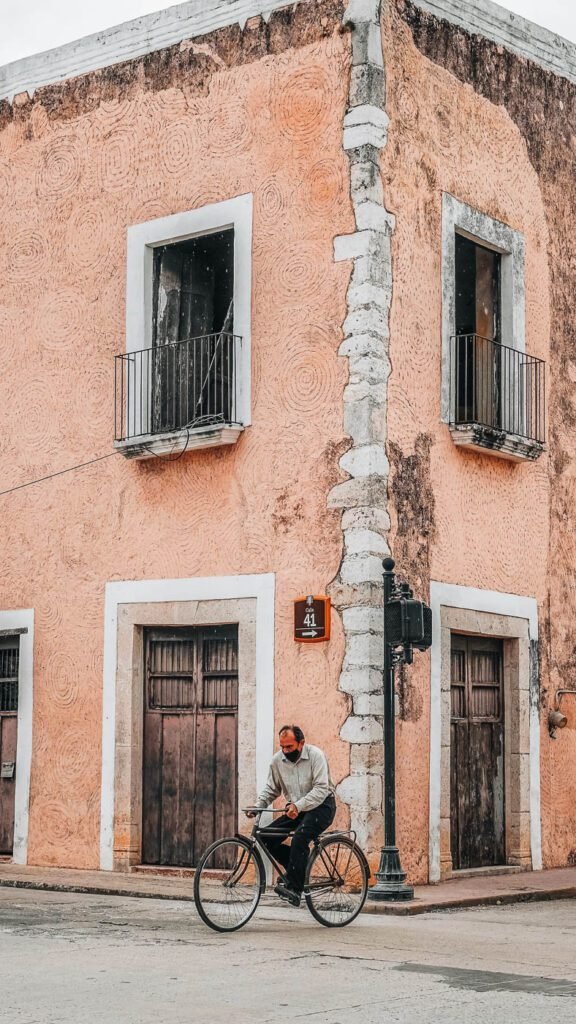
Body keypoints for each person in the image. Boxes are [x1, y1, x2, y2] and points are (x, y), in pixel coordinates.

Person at [247, 724, 336, 907]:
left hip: (322, 806)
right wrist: (258, 806)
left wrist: (298, 805)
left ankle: (295, 889)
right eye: (283, 747)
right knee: (266, 837)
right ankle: (298, 870)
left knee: (300, 838)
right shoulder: (277, 761)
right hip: (296, 808)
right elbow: (272, 789)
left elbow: (321, 789)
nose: (286, 751)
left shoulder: (316, 756)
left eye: (290, 747)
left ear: (301, 743)